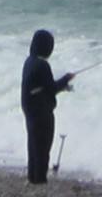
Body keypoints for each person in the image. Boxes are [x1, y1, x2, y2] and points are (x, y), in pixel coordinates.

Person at [20, 29, 74, 184]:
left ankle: (32, 177)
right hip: (41, 111)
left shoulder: (29, 61)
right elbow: (51, 88)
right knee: (43, 145)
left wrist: (62, 85)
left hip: (29, 109)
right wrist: (66, 79)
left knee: (33, 143)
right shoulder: (43, 65)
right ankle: (40, 179)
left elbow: (42, 87)